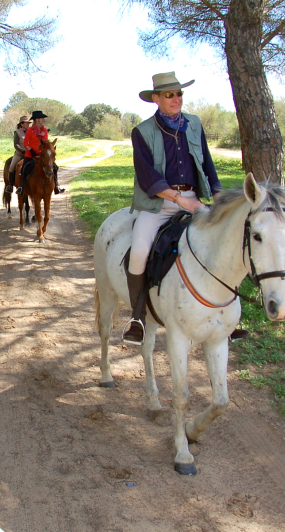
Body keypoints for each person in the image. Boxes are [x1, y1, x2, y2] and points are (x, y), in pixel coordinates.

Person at [122, 72, 223, 345]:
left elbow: (207, 164)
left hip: (194, 199)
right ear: (156, 98)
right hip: (158, 203)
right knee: (140, 251)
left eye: (179, 94)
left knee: (225, 242)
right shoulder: (142, 132)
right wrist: (181, 201)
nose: (176, 99)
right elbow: (147, 177)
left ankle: (224, 314)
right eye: (169, 95)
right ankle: (138, 316)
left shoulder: (194, 124)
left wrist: (219, 197)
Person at [16, 110, 64, 195]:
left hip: (42, 155)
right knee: (24, 169)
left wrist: (48, 149)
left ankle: (56, 186)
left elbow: (45, 142)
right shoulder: (30, 130)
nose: (43, 120)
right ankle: (21, 187)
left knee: (55, 167)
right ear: (37, 119)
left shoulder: (45, 130)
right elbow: (25, 143)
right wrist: (31, 150)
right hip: (30, 155)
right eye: (42, 118)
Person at [5, 115, 31, 194]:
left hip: (30, 154)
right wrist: (22, 150)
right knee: (12, 167)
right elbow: (16, 144)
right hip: (20, 154)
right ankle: (10, 185)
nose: (28, 124)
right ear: (21, 124)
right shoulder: (17, 132)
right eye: (26, 123)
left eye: (28, 123)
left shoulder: (31, 132)